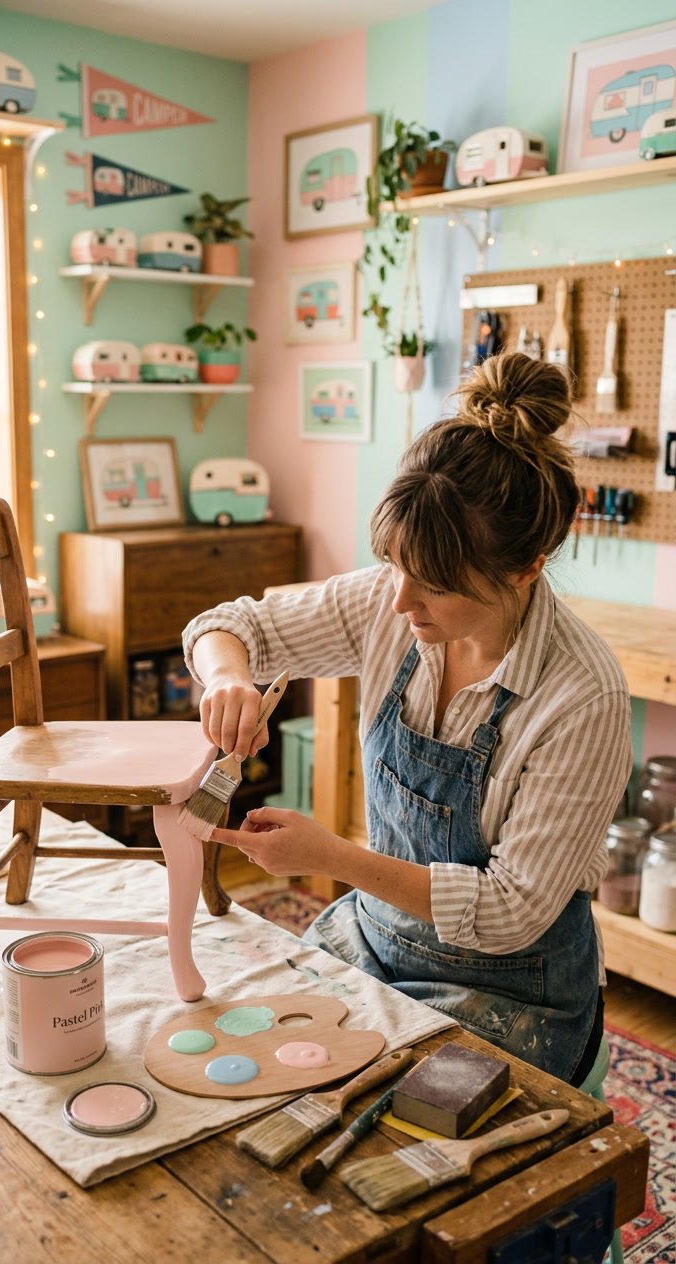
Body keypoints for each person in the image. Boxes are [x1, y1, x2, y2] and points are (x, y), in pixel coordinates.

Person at [182, 352, 633, 1087]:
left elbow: (510, 911)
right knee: (251, 1067)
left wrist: (331, 859)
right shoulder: (392, 607)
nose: (399, 601)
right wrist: (229, 676)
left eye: (434, 585)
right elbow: (230, 625)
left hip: (512, 988)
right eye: (393, 564)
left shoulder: (582, 697)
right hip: (376, 937)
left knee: (374, 1125)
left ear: (528, 568)